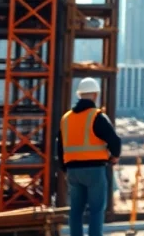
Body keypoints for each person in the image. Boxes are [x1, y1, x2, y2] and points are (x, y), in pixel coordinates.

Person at [57, 77, 122, 236]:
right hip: (94, 170)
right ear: (95, 95)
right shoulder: (97, 116)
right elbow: (114, 140)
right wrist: (114, 156)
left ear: (79, 95)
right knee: (96, 210)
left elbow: (60, 147)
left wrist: (65, 168)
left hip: (73, 171)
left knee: (76, 210)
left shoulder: (66, 118)